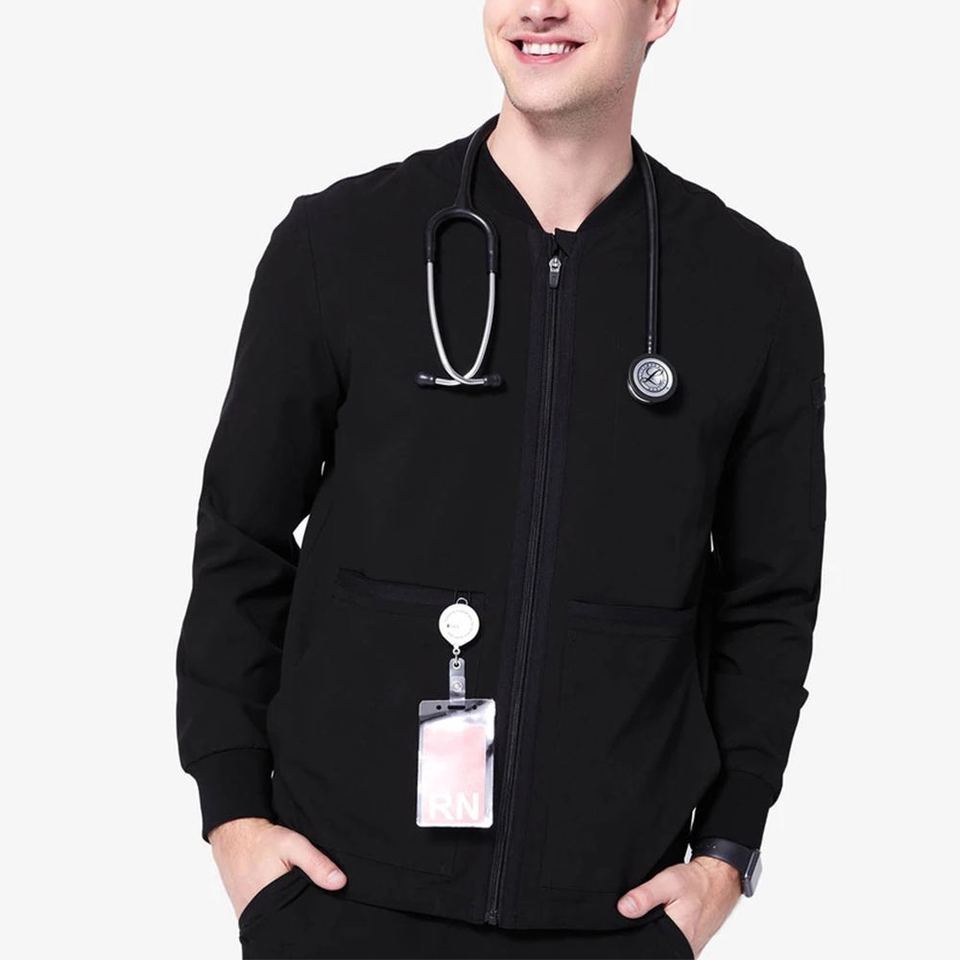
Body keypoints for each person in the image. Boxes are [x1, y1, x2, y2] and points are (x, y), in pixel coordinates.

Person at [175, 1, 827, 957]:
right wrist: (234, 816)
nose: (539, 7)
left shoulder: (751, 288)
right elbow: (241, 537)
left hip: (611, 917)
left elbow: (771, 600)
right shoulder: (341, 242)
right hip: (340, 899)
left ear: (659, 8)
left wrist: (727, 850)